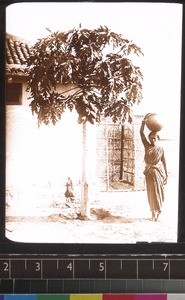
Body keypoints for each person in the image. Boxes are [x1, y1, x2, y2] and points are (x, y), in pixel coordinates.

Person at [140, 113, 168, 221]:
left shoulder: (161, 149)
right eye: (151, 138)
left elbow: (164, 163)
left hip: (158, 174)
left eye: (155, 138)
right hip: (149, 173)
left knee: (159, 193)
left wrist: (167, 175)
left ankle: (158, 212)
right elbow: (141, 133)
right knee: (151, 193)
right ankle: (153, 213)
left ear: (158, 138)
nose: (153, 140)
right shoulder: (147, 146)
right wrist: (143, 121)